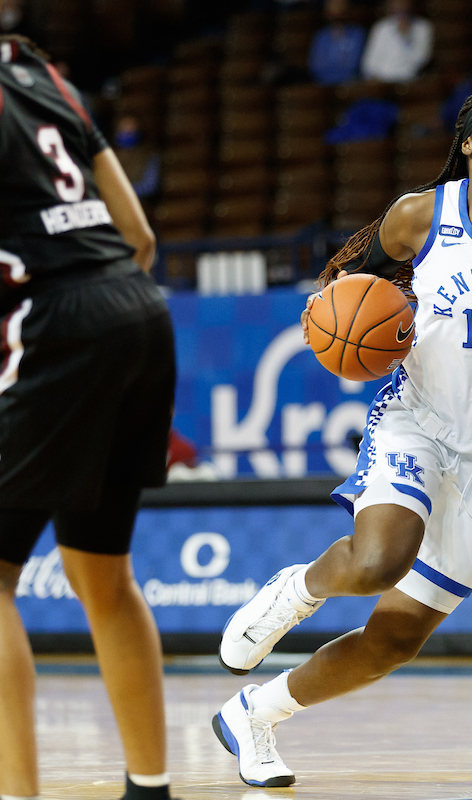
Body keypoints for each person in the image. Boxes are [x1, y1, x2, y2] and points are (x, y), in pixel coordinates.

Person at [210, 84, 472, 788]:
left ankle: (255, 714)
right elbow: (344, 281)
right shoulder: (418, 216)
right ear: (467, 143)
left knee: (394, 640)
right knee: (379, 559)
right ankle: (297, 591)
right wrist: (345, 322)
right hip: (418, 422)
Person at [0, 35, 176, 800]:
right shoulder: (34, 67)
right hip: (138, 307)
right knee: (100, 574)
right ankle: (150, 785)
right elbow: (139, 233)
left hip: (56, 317)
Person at [360, 0, 432, 84]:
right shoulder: (381, 27)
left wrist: (406, 37)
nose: (400, 5)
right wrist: (372, 78)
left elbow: (421, 60)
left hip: (406, 83)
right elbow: (369, 61)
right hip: (379, 82)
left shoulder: (423, 28)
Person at [308, 0, 366, 86]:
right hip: (323, 85)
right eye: (332, 5)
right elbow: (315, 66)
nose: (335, 9)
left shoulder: (357, 34)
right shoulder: (321, 35)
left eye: (339, 5)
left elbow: (353, 66)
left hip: (349, 86)